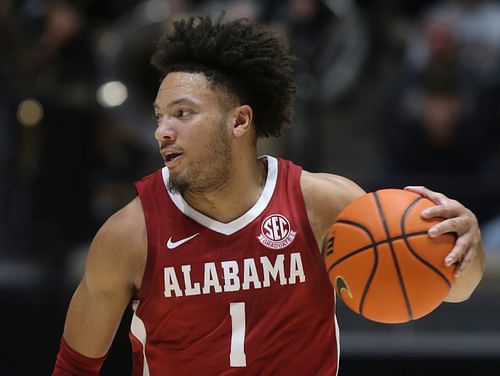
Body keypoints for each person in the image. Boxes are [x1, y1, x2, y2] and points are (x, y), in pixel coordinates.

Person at [52, 16, 485, 375]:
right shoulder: (129, 235)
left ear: (239, 122)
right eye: (159, 116)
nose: (163, 130)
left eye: (182, 113)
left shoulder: (323, 204)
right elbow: (74, 367)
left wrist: (465, 247)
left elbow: (453, 290)